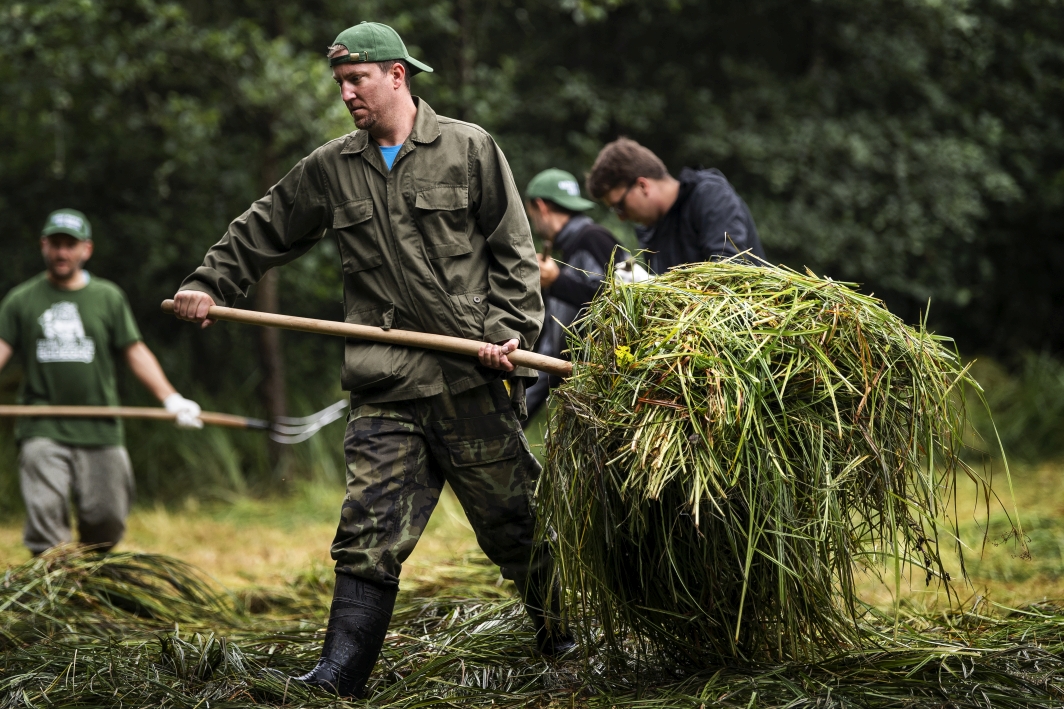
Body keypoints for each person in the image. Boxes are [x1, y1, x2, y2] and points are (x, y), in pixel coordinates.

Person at [170, 22, 571, 699]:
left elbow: (513, 253)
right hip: (387, 383)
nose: (348, 93)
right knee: (366, 531)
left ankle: (566, 637)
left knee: (516, 526)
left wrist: (509, 334)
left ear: (397, 75)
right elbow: (265, 225)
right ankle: (339, 675)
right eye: (340, 83)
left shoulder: (469, 149)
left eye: (358, 79)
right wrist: (210, 283)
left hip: (474, 377)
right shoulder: (332, 167)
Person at [0, 209, 202, 556]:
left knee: (107, 520)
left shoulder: (108, 297)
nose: (62, 252)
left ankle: (93, 583)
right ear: (44, 246)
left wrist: (172, 399)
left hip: (101, 427)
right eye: (56, 244)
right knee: (47, 520)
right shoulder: (21, 300)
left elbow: (135, 351)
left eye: (70, 245)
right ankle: (57, 587)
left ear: (86, 249)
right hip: (42, 425)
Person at [523, 168, 621, 422]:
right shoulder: (571, 246)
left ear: (541, 207)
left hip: (610, 384)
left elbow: (614, 301)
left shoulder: (592, 239)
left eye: (531, 214)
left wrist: (557, 281)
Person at [585, 137, 766, 273]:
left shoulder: (710, 197)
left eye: (620, 206)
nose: (621, 217)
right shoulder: (652, 233)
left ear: (642, 186)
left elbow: (729, 271)